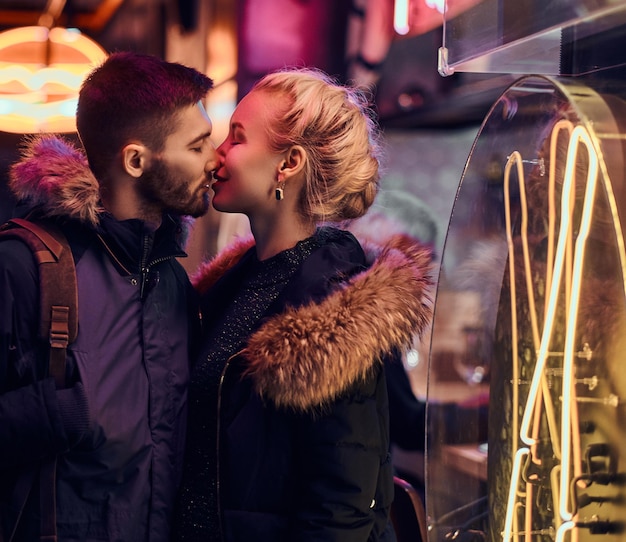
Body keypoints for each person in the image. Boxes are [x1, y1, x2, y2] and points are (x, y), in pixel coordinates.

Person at [172, 67, 433, 542]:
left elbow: (340, 511)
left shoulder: (336, 309)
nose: (218, 155)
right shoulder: (230, 285)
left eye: (237, 137)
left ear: (287, 164)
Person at [0, 51, 217, 541]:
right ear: (136, 160)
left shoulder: (172, 279)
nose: (215, 158)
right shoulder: (24, 266)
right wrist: (52, 412)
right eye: (198, 145)